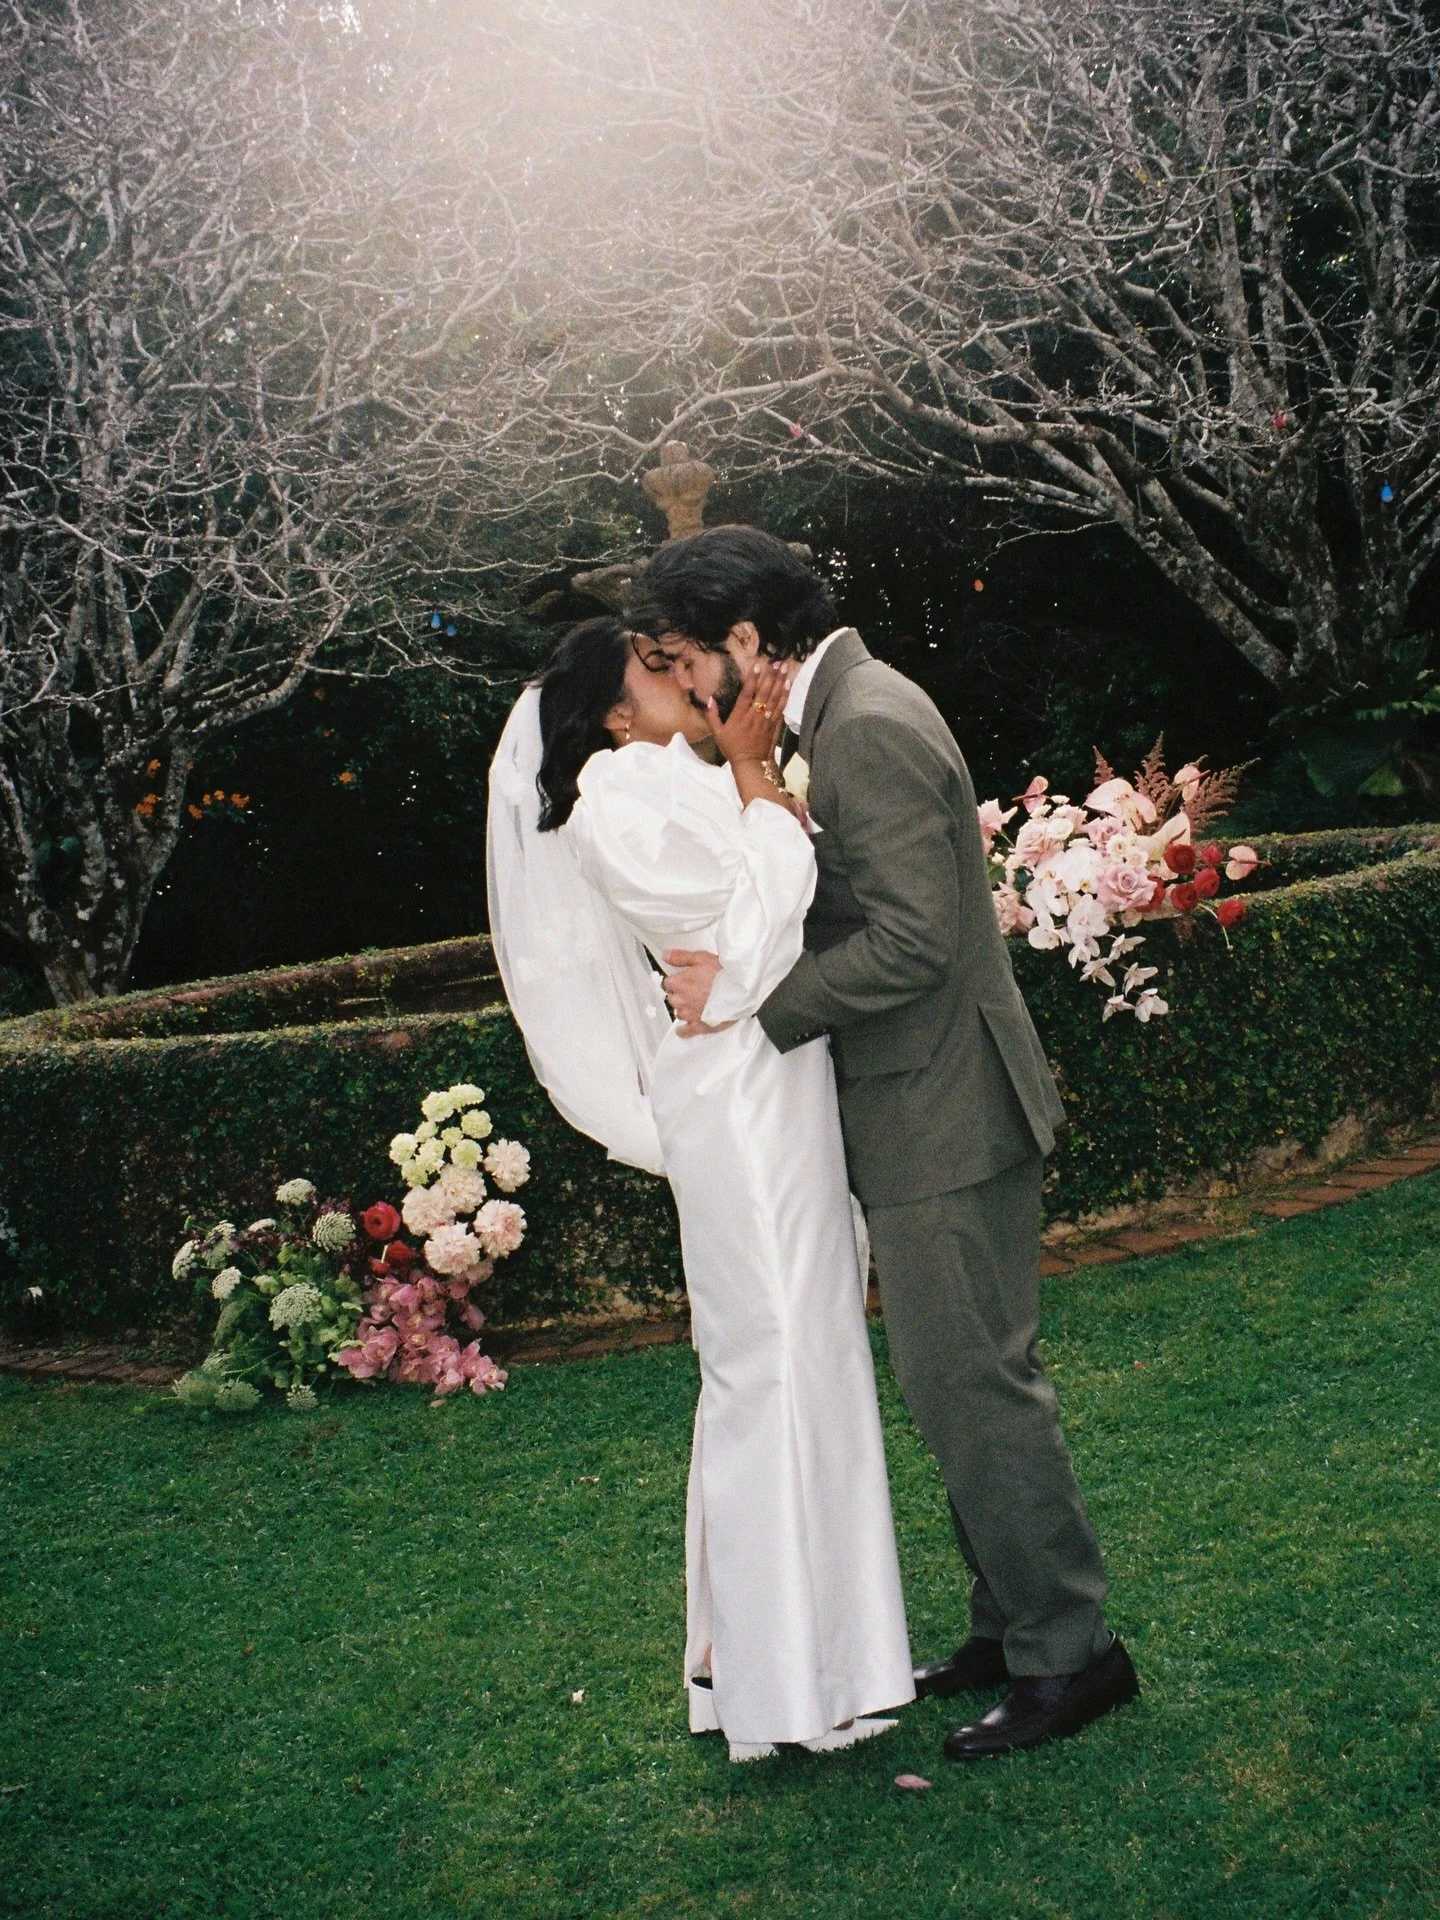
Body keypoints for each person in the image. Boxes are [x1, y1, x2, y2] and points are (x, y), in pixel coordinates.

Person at [641, 527, 1140, 1761]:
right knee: (957, 1385)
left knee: (978, 1392)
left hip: (944, 1114)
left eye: (685, 658)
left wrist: (761, 1005)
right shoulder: (850, 709)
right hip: (934, 1104)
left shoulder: (860, 724)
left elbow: (914, 941)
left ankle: (1071, 1656)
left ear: (747, 642)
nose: (684, 690)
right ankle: (1007, 1629)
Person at [485, 617, 915, 1763]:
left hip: (775, 1076)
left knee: (807, 1348)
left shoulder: (676, 771)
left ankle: (821, 1654)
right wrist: (761, 779)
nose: (681, 678)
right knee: (767, 1356)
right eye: (654, 672)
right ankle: (780, 1683)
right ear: (613, 712)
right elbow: (754, 931)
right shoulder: (610, 803)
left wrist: (753, 803)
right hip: (732, 1097)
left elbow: (762, 932)